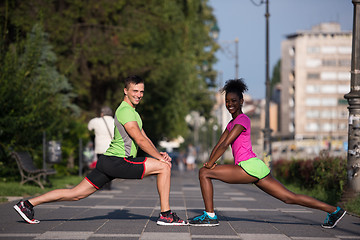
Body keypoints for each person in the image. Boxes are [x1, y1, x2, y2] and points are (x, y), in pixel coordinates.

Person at [14, 75, 187, 226]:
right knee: (164, 167)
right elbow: (139, 140)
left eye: (141, 91)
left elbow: (145, 137)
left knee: (75, 194)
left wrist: (160, 154)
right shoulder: (125, 111)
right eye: (135, 91)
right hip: (119, 161)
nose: (139, 95)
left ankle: (27, 204)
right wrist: (160, 159)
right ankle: (166, 215)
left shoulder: (133, 112)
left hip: (108, 161)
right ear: (125, 91)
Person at [188, 79, 346, 229]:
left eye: (234, 101)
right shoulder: (231, 123)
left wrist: (209, 165)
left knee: (204, 173)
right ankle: (334, 211)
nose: (230, 104)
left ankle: (210, 216)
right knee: (289, 198)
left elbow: (225, 144)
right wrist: (211, 161)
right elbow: (218, 145)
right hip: (256, 167)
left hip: (248, 167)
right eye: (227, 101)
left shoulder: (242, 120)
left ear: (241, 101)